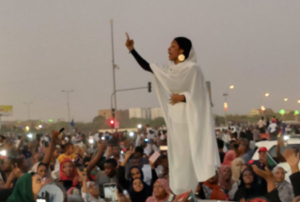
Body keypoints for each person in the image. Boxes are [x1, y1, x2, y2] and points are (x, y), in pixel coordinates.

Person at [126, 33, 220, 194]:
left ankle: (192, 191)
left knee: (189, 158)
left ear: (182, 50)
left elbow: (201, 97)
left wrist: (183, 97)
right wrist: (132, 50)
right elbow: (149, 67)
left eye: (173, 46)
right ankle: (180, 192)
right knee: (178, 160)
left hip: (189, 121)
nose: (168, 49)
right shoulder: (169, 70)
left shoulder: (193, 69)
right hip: (175, 122)